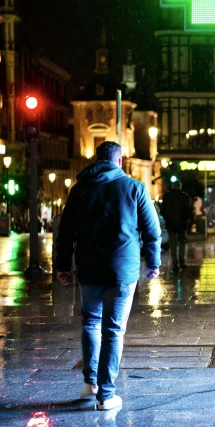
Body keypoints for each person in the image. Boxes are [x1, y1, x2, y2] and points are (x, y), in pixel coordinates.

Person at [55, 141, 161, 411]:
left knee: (90, 324)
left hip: (89, 268)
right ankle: (106, 395)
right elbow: (151, 230)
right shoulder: (134, 188)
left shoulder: (79, 189)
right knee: (113, 330)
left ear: (96, 159)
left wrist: (63, 266)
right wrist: (153, 263)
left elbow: (65, 232)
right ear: (120, 161)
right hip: (122, 270)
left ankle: (90, 384)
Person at [161, 180, 191, 272]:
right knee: (182, 242)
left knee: (173, 243)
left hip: (170, 223)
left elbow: (162, 210)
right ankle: (182, 262)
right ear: (180, 186)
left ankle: (175, 264)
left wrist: (167, 218)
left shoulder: (167, 196)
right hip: (182, 223)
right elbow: (188, 210)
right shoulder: (185, 196)